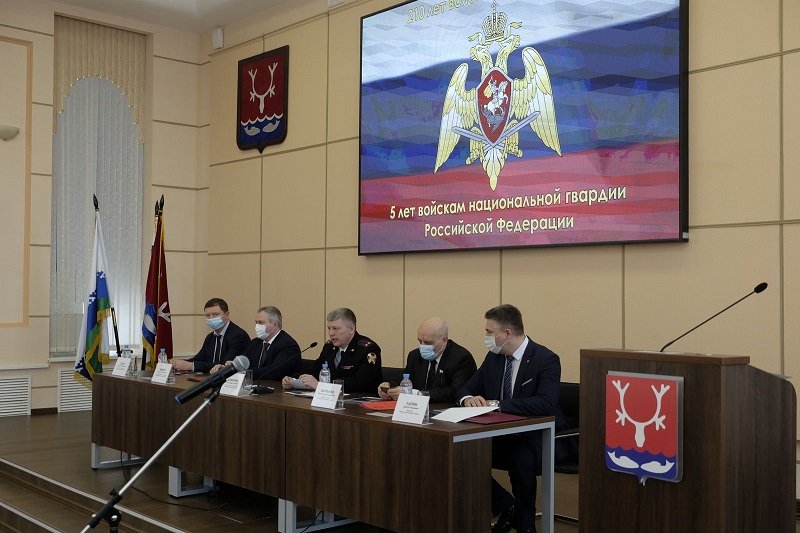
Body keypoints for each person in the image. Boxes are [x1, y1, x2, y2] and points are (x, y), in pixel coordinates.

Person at [457, 304, 566, 533]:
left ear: (507, 333)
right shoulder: (494, 358)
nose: (486, 338)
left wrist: (498, 404)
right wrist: (468, 398)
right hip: (501, 433)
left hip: (537, 435)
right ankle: (506, 506)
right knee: (463, 453)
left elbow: (545, 403)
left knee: (520, 461)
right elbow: (466, 388)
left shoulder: (545, 359)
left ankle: (526, 526)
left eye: (489, 332)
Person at [377, 316, 476, 404]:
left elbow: (455, 392)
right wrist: (389, 387)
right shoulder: (415, 356)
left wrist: (416, 394)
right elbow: (406, 381)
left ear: (444, 340)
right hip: (415, 410)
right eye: (420, 341)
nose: (422, 346)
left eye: (428, 342)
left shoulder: (461, 358)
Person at [281, 307, 381, 393]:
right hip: (331, 400)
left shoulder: (368, 349)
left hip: (359, 403)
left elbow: (360, 383)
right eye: (329, 328)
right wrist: (294, 380)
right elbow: (315, 369)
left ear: (351, 329)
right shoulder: (329, 346)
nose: (331, 333)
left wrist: (320, 386)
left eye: (335, 328)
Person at [220, 306, 300, 380]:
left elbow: (274, 372)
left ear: (275, 325)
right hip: (254, 386)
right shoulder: (255, 343)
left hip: (277, 388)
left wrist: (243, 371)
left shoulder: (288, 345)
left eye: (261, 322)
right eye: (256, 322)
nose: (257, 326)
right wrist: (232, 366)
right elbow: (244, 361)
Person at [172, 297, 250, 373]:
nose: (211, 318)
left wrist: (192, 366)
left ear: (227, 314)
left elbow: (224, 365)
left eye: (215, 314)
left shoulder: (238, 336)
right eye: (208, 315)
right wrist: (178, 363)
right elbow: (199, 359)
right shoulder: (210, 337)